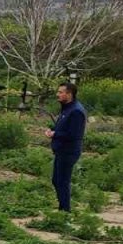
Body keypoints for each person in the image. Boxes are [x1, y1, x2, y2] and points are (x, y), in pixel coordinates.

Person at [44, 81, 86, 212]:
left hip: (68, 151)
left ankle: (65, 210)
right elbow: (63, 126)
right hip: (61, 149)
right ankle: (62, 207)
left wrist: (55, 134)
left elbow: (74, 134)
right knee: (57, 180)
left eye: (61, 92)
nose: (58, 95)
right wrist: (53, 130)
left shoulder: (76, 111)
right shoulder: (67, 108)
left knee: (62, 181)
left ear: (69, 94)